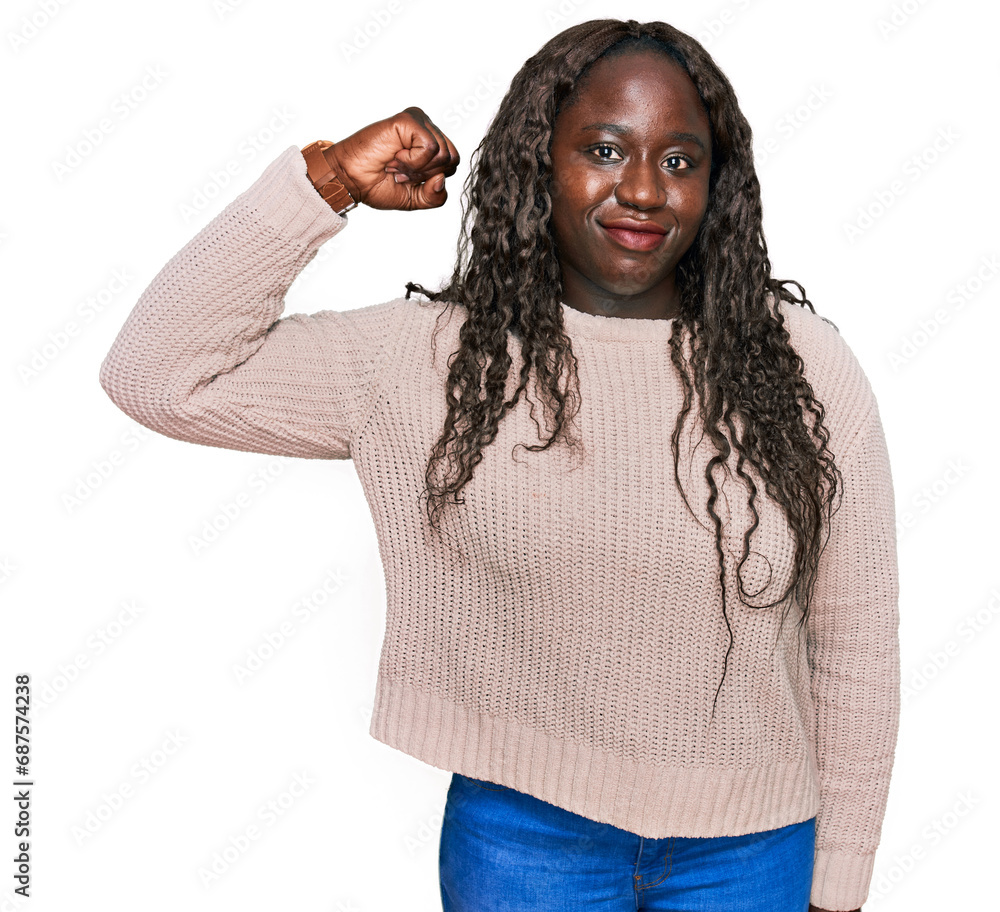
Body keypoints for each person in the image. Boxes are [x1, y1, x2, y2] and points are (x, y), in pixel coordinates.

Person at [98, 17, 898, 912]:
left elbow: (857, 637)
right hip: (526, 841)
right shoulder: (431, 360)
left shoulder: (802, 366)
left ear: (719, 186)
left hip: (754, 851)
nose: (642, 189)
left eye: (680, 161)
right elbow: (156, 375)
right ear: (537, 161)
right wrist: (323, 184)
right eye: (603, 148)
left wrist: (843, 876)